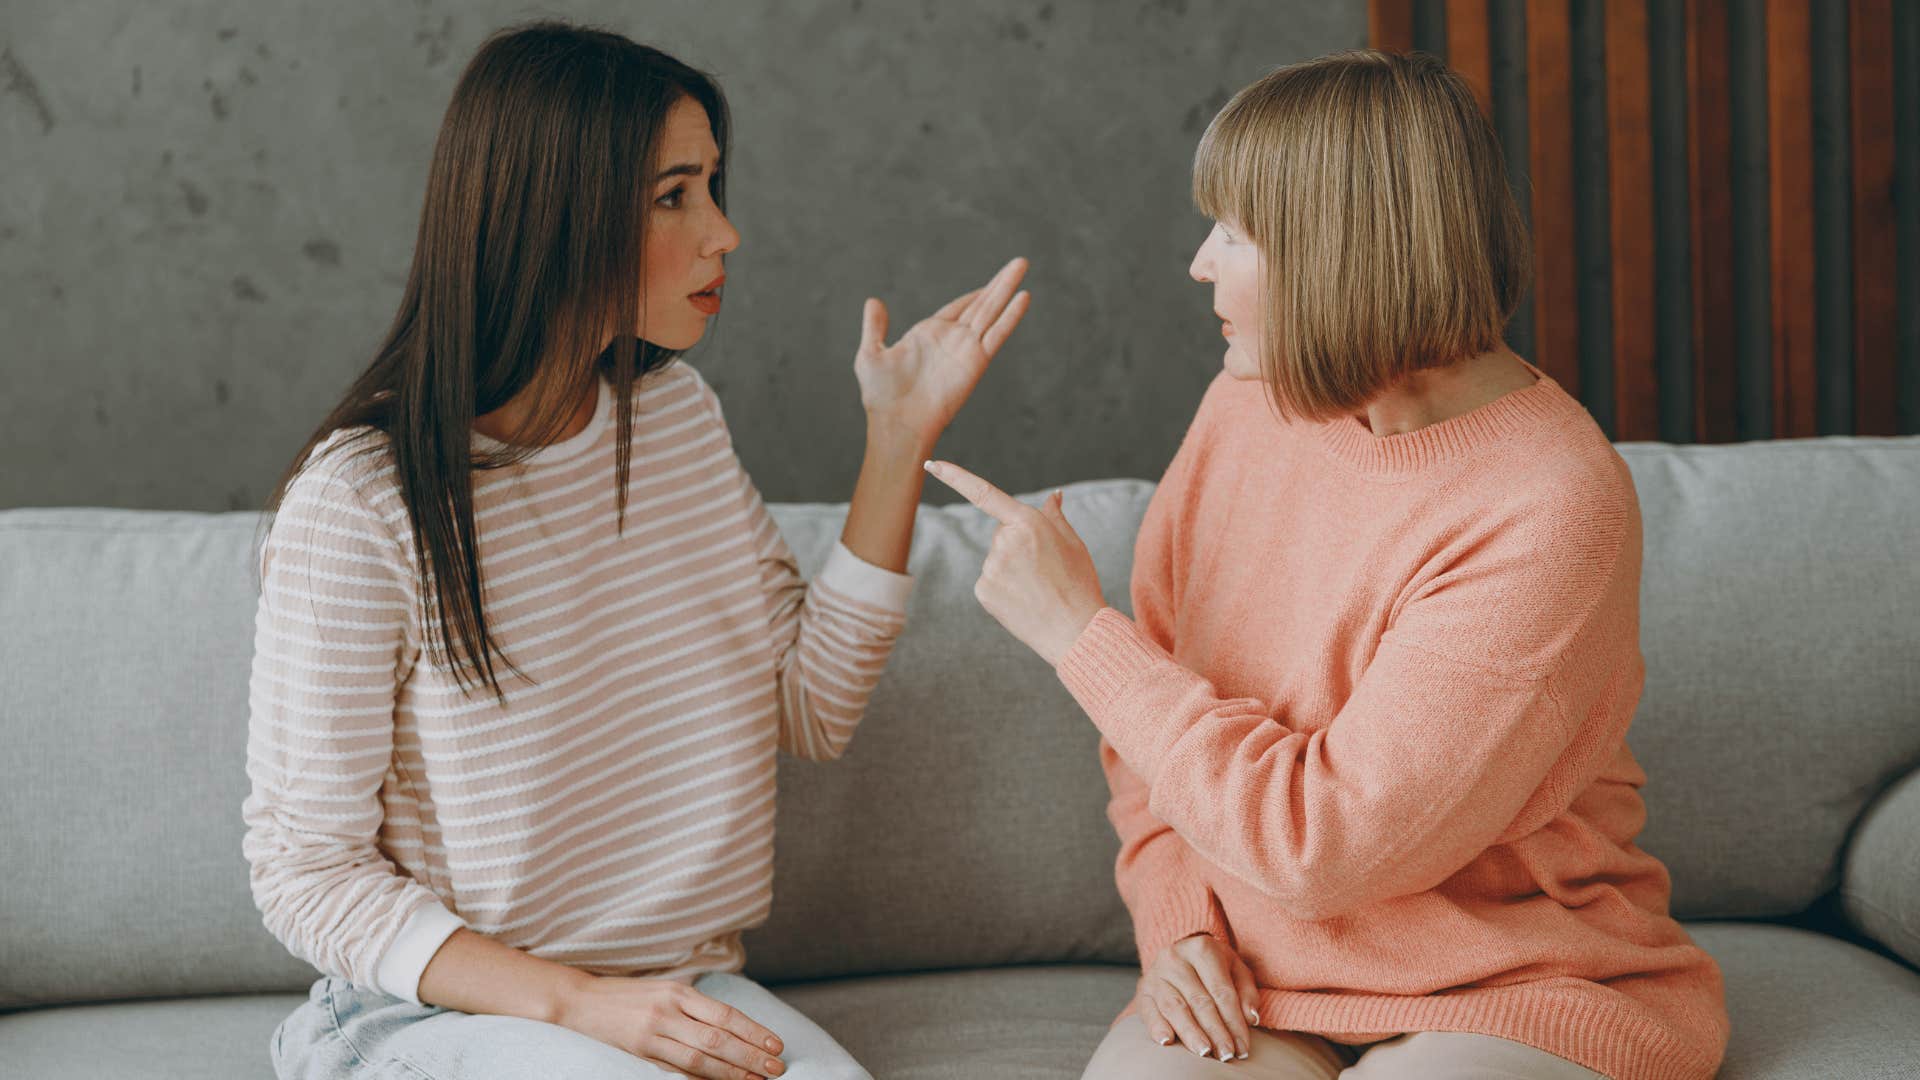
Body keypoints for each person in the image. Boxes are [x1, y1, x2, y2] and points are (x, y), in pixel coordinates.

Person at [243, 21, 1029, 1080]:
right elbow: (306, 873)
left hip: (681, 991)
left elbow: (812, 707)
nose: (724, 233)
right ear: (553, 215)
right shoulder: (363, 501)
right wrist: (584, 1008)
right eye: (675, 196)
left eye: (713, 186)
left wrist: (897, 442)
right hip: (428, 1017)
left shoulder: (673, 420)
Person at [925, 49, 1729, 1080]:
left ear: (1338, 250)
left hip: (1519, 984)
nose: (1199, 265)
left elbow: (1327, 846)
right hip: (1254, 976)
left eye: (1234, 233)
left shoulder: (1552, 503)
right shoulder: (1244, 409)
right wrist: (1177, 922)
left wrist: (1079, 635)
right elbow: (1151, 732)